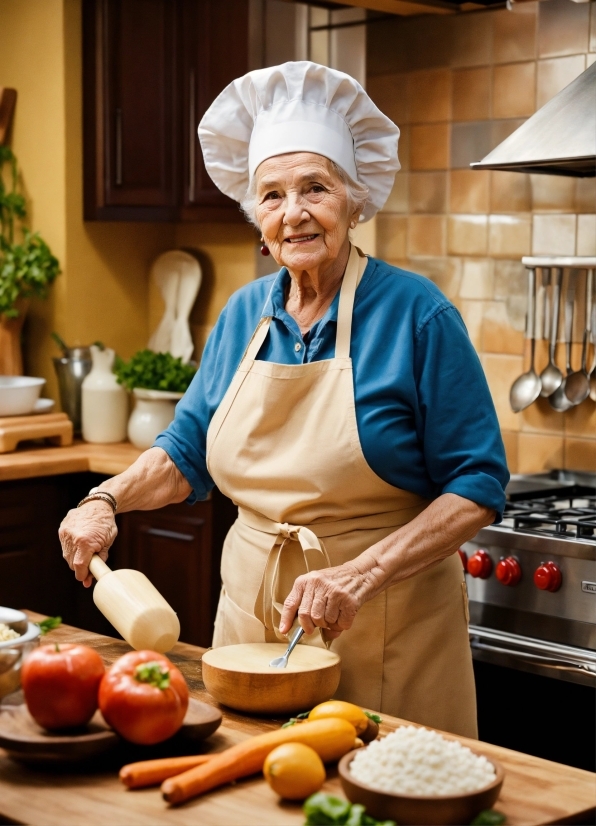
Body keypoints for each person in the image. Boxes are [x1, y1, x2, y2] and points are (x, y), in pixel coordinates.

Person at [60, 61, 508, 738]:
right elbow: (186, 451)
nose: (292, 213)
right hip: (252, 625)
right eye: (271, 195)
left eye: (314, 189)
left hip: (386, 621)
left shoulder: (417, 315)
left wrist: (359, 576)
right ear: (255, 218)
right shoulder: (242, 316)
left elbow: (478, 482)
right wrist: (106, 499)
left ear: (354, 200)